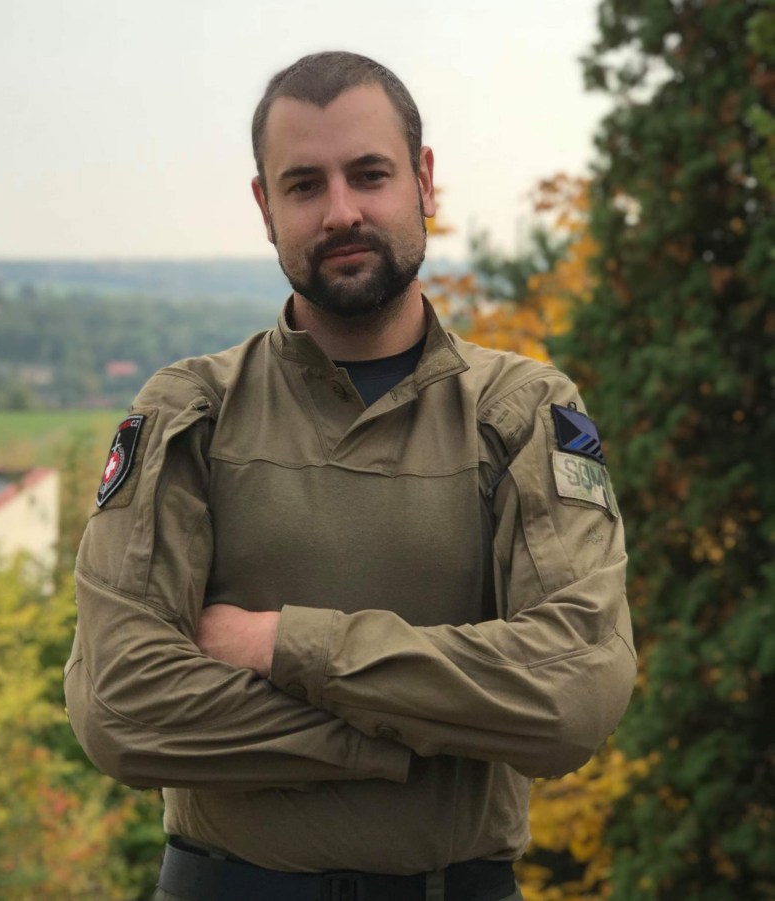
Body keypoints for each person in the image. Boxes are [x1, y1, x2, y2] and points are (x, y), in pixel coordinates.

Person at [64, 51, 637, 901]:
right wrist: (403, 736)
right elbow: (121, 707)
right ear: (265, 207)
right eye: (304, 186)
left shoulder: (520, 412)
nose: (341, 212)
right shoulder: (192, 412)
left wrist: (282, 645)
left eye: (370, 175)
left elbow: (575, 691)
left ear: (424, 181)